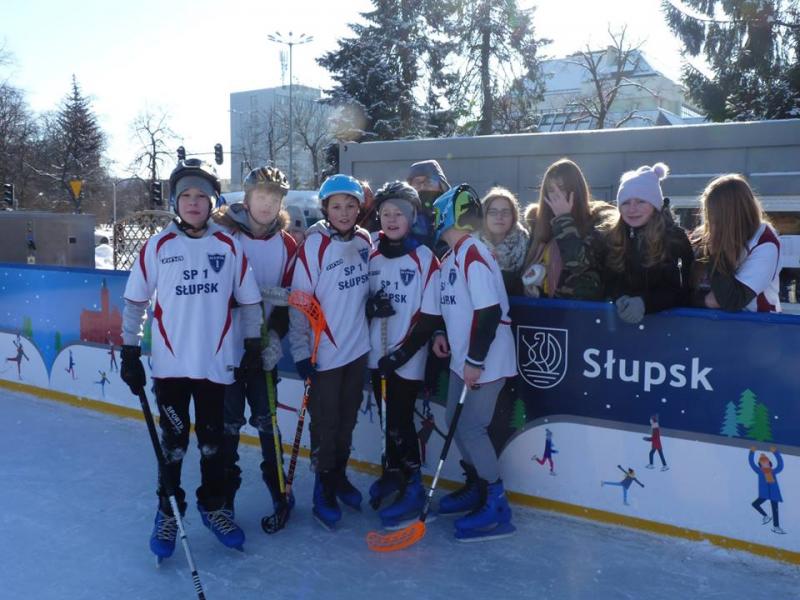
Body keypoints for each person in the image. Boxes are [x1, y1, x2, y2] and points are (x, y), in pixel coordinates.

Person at [120, 159, 263, 561]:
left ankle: (213, 504)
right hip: (171, 369)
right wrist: (130, 350)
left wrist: (252, 346)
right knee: (175, 445)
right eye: (187, 195)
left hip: (216, 369)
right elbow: (134, 304)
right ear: (175, 201)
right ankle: (168, 509)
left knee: (214, 445)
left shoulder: (230, 245)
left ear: (213, 201)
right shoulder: (158, 246)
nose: (195, 203)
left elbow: (250, 304)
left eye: (202, 196)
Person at [431, 184, 517, 541]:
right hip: (461, 357)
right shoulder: (451, 257)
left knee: (470, 428)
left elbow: (489, 311)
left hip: (484, 360)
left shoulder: (473, 253)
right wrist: (442, 335)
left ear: (449, 215)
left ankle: (496, 501)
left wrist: (475, 360)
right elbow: (454, 306)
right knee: (453, 420)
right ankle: (477, 486)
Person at [212, 165, 297, 528]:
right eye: (261, 196)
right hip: (227, 352)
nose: (267, 204)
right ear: (246, 199)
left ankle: (279, 493)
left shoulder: (288, 244)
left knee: (268, 425)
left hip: (262, 351)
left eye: (274, 198)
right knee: (228, 428)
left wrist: (275, 338)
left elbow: (286, 299)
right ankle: (224, 499)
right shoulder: (222, 235)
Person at [288, 174, 372, 530]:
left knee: (348, 420)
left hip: (357, 350)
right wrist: (300, 350)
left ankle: (338, 475)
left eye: (350, 205)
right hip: (324, 354)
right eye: (336, 206)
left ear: (359, 209)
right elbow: (299, 302)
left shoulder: (367, 240)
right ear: (325, 208)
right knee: (326, 423)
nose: (344, 212)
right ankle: (323, 485)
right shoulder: (314, 246)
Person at [364, 181, 442, 527]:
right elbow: (357, 301)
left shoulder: (425, 258)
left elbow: (429, 317)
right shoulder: (372, 254)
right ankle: (392, 471)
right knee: (385, 420)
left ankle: (414, 485)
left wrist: (401, 355)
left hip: (408, 355)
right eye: (386, 214)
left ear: (412, 218)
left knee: (399, 420)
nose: (392, 219)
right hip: (375, 351)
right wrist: (370, 307)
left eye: (399, 214)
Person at [603, 163, 694, 324]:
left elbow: (682, 289)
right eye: (626, 202)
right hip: (623, 333)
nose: (632, 209)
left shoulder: (674, 239)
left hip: (667, 331)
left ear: (654, 205)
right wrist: (619, 296)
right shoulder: (612, 238)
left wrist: (645, 303)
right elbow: (608, 280)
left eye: (640, 202)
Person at [522, 158, 615, 300]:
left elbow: (579, 265)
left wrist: (563, 219)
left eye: (562, 188)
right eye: (551, 190)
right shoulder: (539, 222)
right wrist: (533, 286)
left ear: (576, 189)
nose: (556, 195)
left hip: (582, 312)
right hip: (544, 310)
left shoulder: (599, 219)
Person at [690, 174, 781, 312]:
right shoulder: (704, 234)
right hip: (713, 326)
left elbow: (730, 299)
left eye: (713, 214)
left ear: (729, 214)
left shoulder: (765, 243)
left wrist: (716, 251)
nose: (709, 219)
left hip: (757, 326)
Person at [477, 187, 530, 296]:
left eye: (505, 213)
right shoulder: (472, 245)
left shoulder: (526, 243)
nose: (499, 217)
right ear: (484, 216)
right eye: (493, 212)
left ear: (513, 217)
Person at [407, 159, 450, 252]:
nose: (422, 187)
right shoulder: (403, 216)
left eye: (429, 181)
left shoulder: (453, 213)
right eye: (417, 182)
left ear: (441, 185)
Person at [749, 447, 785, 535]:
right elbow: (751, 463)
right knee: (755, 504)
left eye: (766, 462)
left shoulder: (773, 471)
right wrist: (752, 452)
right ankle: (766, 516)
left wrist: (775, 452)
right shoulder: (759, 471)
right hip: (764, 494)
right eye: (762, 462)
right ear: (760, 464)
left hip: (773, 494)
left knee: (775, 510)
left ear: (769, 463)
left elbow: (780, 465)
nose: (765, 463)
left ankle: (776, 526)